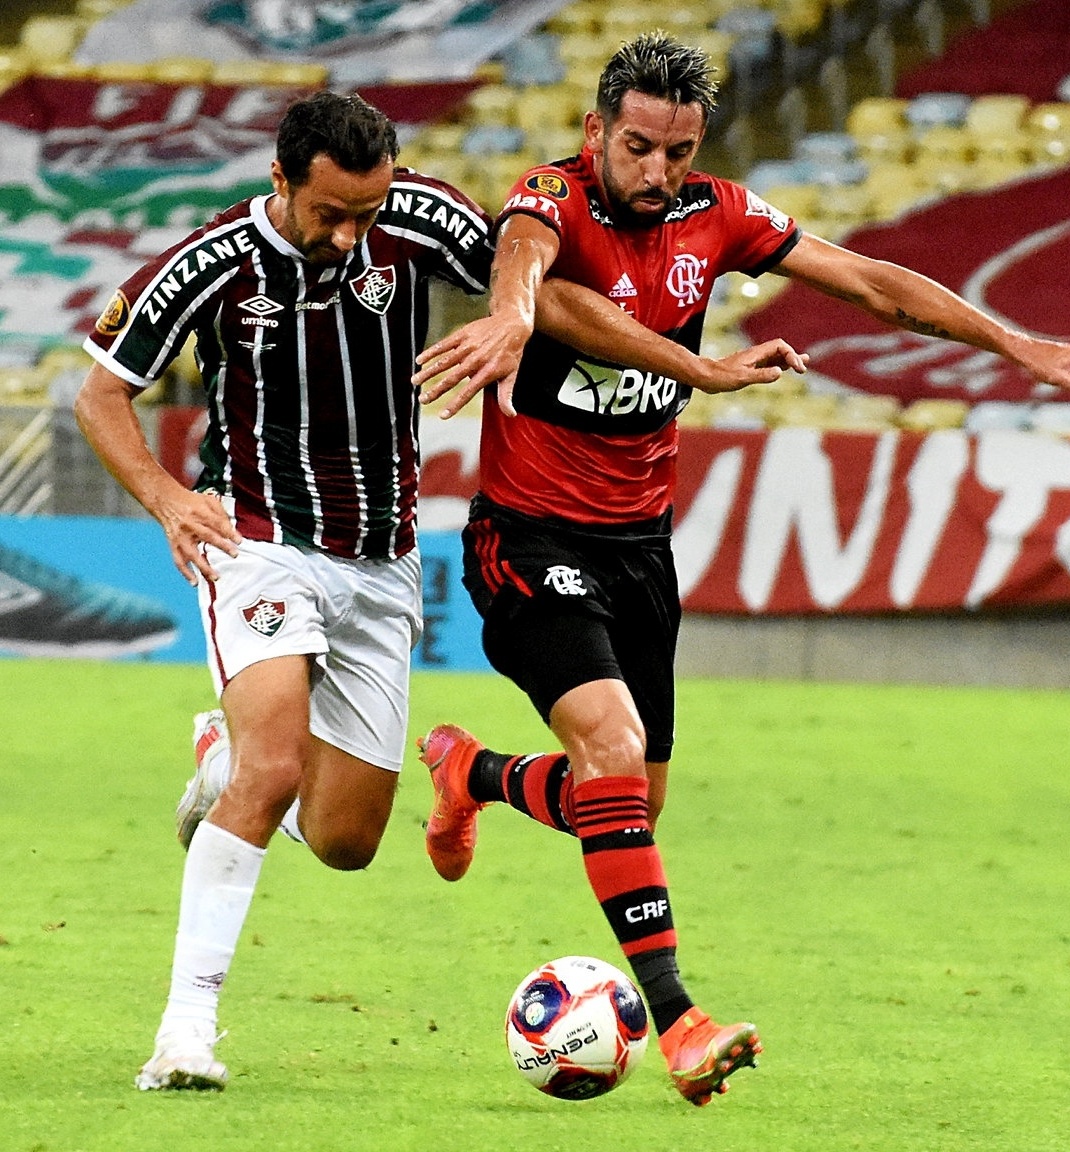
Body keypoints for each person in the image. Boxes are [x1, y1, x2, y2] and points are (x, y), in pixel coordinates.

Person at [409, 32, 1070, 1108]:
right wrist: (565, 332)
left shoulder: (717, 215)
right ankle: (678, 1016)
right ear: (595, 132)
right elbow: (536, 283)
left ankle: (475, 775)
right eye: (638, 147)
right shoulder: (548, 199)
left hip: (639, 553)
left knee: (629, 800)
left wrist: (1018, 345)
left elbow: (870, 283)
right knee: (611, 744)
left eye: (677, 153)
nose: (656, 173)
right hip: (527, 539)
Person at [74, 90, 806, 1093]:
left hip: (381, 564)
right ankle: (186, 1033)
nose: (349, 234)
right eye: (328, 213)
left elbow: (536, 277)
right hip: (258, 539)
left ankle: (223, 757)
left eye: (365, 213)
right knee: (277, 760)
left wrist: (559, 315)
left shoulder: (415, 216)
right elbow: (99, 389)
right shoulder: (208, 264)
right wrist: (164, 498)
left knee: (345, 840)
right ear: (279, 181)